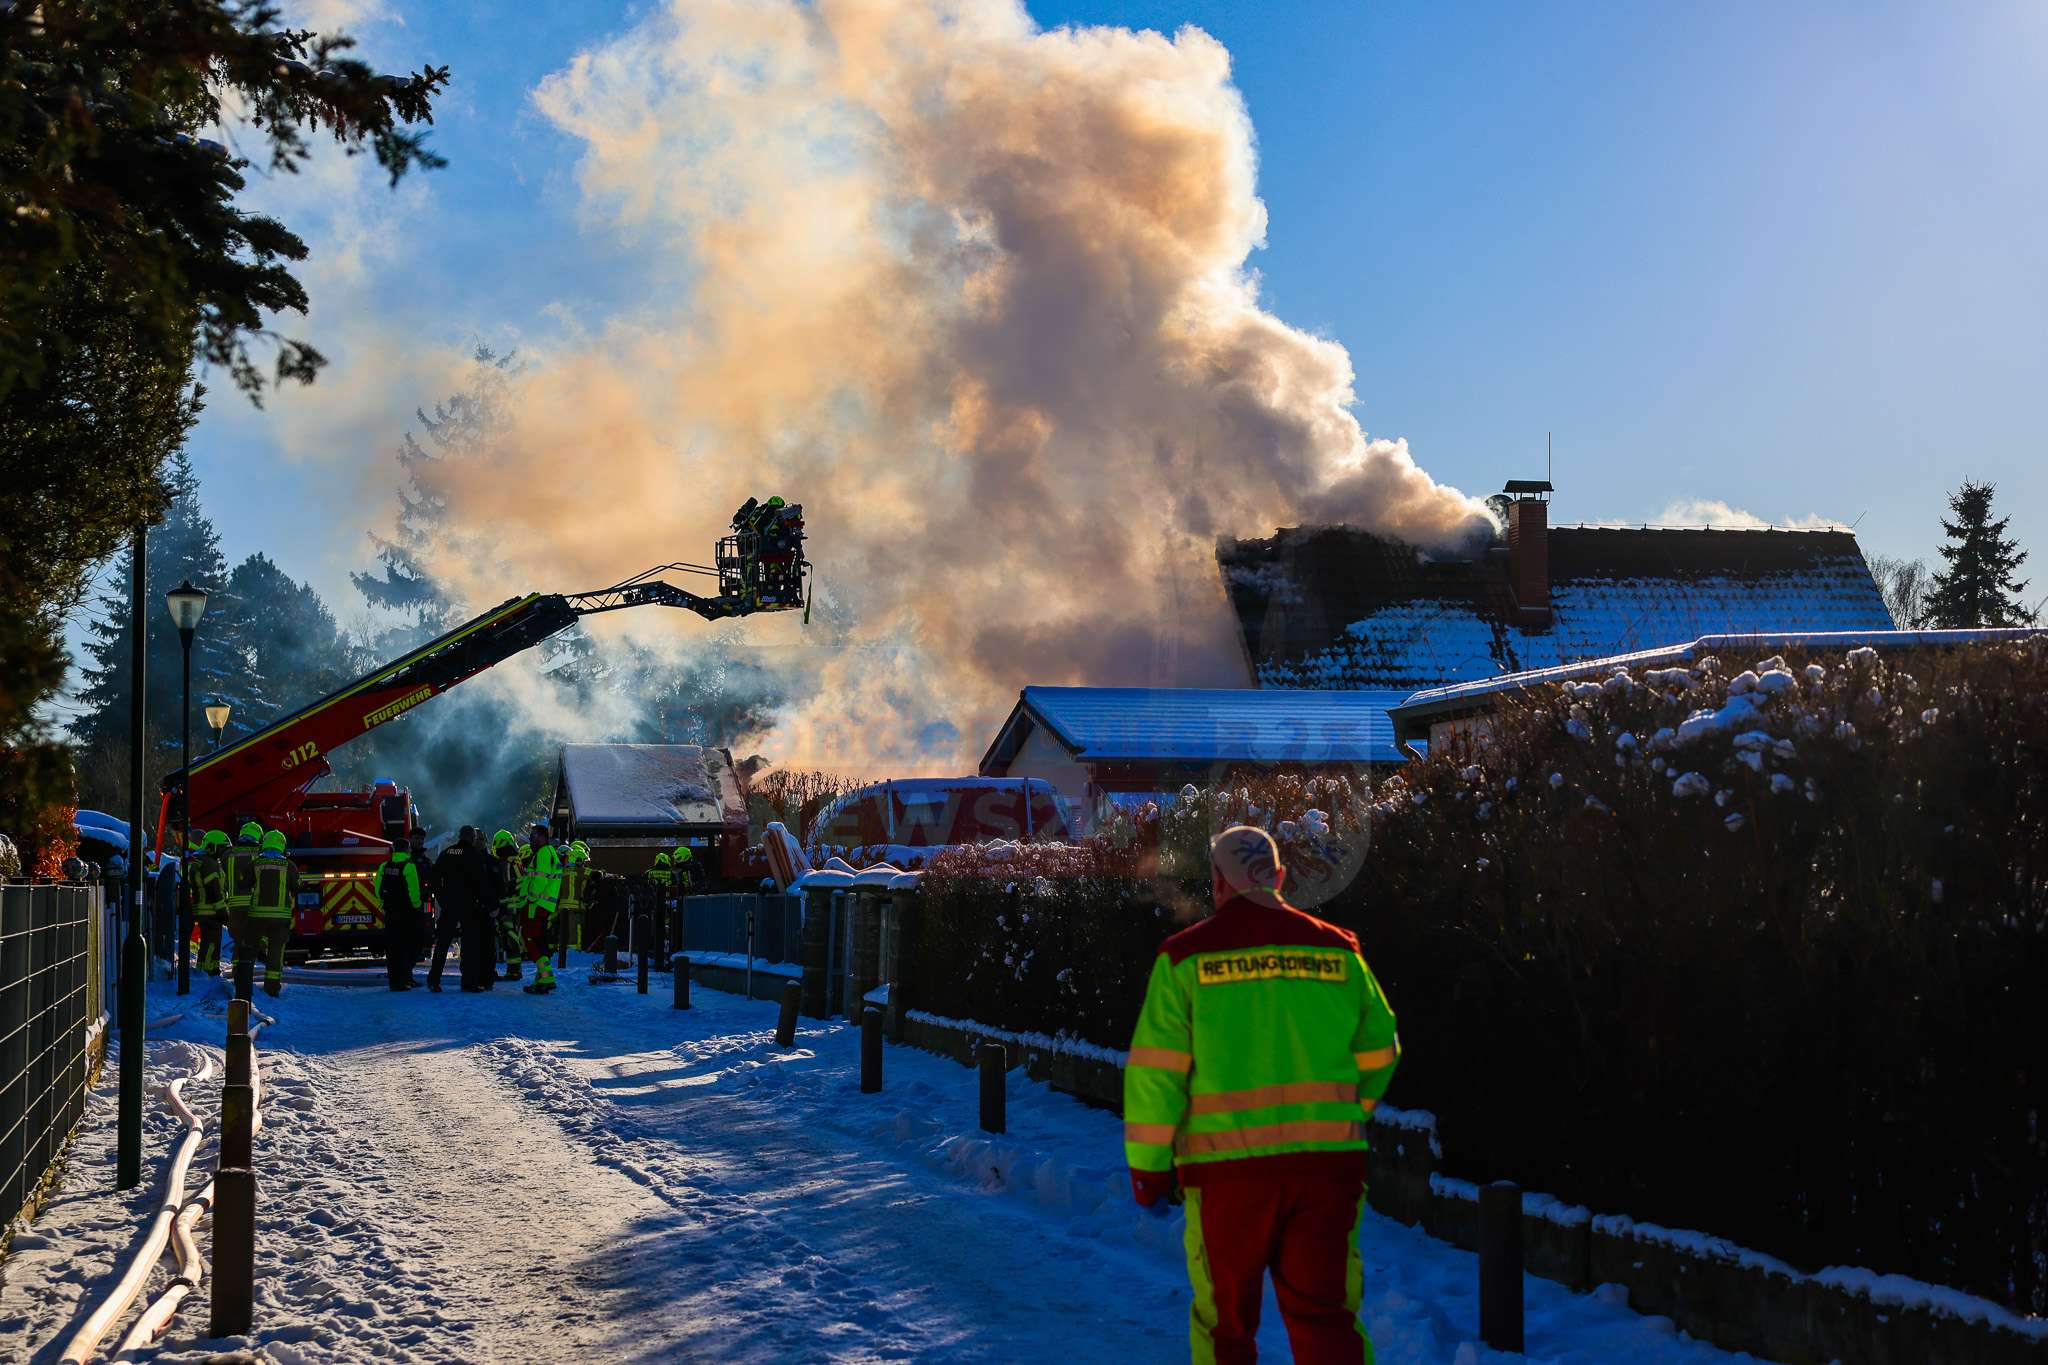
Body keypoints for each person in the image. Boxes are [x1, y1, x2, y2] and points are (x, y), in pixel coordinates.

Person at [1124, 825, 1400, 1365]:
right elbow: (1381, 1052)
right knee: (1326, 1319)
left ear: (1218, 884)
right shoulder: (1338, 951)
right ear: (1278, 878)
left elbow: (1156, 1075)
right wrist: (1343, 1113)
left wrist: (1149, 1169)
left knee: (1225, 1326)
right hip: (1326, 1174)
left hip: (1227, 1179)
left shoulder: (1184, 959)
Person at [246, 830, 301, 998]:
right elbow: (297, 888)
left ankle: (245, 984)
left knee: (250, 949)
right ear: (282, 845)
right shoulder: (289, 866)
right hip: (280, 918)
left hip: (257, 917)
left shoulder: (255, 863)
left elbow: (245, 883)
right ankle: (272, 988)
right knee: (276, 953)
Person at [428, 827, 481, 992]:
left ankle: (434, 980)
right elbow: (481, 882)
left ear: (459, 837)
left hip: (450, 905)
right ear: (472, 838)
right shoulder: (474, 854)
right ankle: (469, 983)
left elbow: (435, 879)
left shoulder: (447, 853)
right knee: (469, 944)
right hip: (469, 906)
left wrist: (443, 899)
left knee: (443, 944)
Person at [374, 839, 424, 991]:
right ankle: (405, 980)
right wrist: (417, 907)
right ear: (407, 849)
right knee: (408, 946)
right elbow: (414, 891)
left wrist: (383, 905)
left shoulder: (384, 866)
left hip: (390, 912)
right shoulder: (409, 866)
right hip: (407, 913)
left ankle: (394, 982)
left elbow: (377, 890)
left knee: (393, 948)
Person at [519, 824, 562, 994]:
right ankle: (541, 978)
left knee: (530, 939)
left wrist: (529, 900)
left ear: (541, 837)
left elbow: (539, 881)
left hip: (536, 905)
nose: (530, 840)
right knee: (539, 941)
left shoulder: (543, 854)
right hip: (544, 906)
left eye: (532, 836)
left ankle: (546, 977)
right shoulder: (550, 853)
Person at [222, 820, 263, 972]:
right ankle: (247, 972)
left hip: (234, 906)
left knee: (238, 941)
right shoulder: (259, 854)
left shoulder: (228, 854)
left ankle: (237, 972)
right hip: (253, 905)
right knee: (252, 941)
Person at [187, 830, 230, 976]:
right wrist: (222, 910)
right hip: (211, 911)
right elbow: (213, 888)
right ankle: (209, 972)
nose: (223, 852)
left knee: (206, 942)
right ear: (212, 847)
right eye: (221, 848)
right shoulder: (209, 863)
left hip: (202, 909)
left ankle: (204, 970)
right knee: (212, 943)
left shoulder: (199, 861)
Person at [490, 829, 525, 982]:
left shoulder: (510, 862)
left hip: (509, 907)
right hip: (513, 906)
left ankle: (515, 971)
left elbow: (516, 883)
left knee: (510, 938)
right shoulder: (515, 860)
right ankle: (513, 970)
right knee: (509, 938)